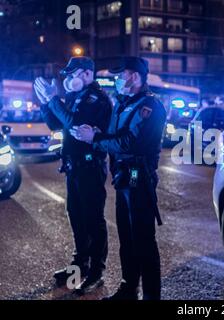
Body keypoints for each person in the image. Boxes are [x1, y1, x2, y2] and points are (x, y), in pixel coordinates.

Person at [71, 56, 167, 300]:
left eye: (120, 74)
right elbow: (115, 136)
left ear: (134, 76)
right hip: (123, 176)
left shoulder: (150, 106)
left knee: (143, 239)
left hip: (138, 176)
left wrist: (95, 139)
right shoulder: (123, 103)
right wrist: (97, 134)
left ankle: (151, 295)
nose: (116, 79)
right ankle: (128, 287)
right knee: (126, 235)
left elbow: (131, 142)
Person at [33, 57, 112, 294]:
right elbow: (55, 125)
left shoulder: (96, 99)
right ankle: (80, 264)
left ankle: (96, 271)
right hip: (73, 166)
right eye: (66, 74)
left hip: (90, 166)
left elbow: (76, 126)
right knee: (76, 215)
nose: (68, 79)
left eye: (72, 73)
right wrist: (46, 104)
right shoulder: (76, 96)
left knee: (93, 219)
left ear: (87, 74)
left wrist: (54, 100)